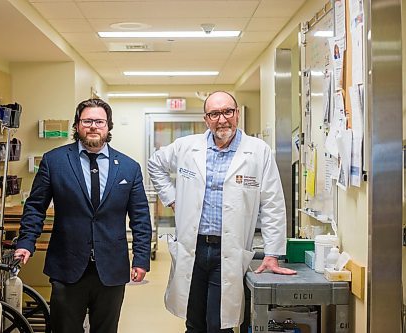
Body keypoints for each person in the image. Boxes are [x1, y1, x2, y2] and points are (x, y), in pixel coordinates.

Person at [148, 91, 297, 333]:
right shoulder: (187, 147)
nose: (222, 119)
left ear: (237, 114)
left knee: (219, 325)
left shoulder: (258, 151)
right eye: (214, 114)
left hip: (228, 250)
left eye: (228, 111)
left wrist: (272, 253)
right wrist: (173, 199)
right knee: (193, 322)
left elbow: (273, 204)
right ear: (206, 119)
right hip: (193, 248)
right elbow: (155, 163)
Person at [15, 98, 152, 333]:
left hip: (111, 267)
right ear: (77, 125)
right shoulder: (54, 161)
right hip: (67, 266)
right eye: (87, 120)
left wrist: (140, 258)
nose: (93, 126)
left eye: (99, 121)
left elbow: (140, 217)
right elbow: (36, 207)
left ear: (108, 126)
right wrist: (26, 242)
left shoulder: (129, 167)